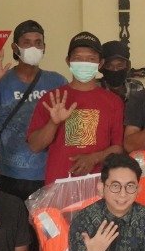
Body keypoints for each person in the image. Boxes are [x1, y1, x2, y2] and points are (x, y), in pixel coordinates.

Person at [0, 20, 67, 201]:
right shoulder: (1, 80)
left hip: (46, 172)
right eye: (27, 42)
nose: (33, 47)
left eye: (38, 43)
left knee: (43, 220)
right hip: (8, 173)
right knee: (11, 218)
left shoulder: (57, 81)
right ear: (15, 47)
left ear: (44, 47)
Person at [27, 31, 125, 184]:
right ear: (68, 61)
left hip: (99, 185)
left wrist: (94, 158)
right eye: (78, 58)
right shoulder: (52, 98)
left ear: (100, 64)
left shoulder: (113, 101)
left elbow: (118, 148)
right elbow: (35, 146)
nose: (84, 63)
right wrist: (53, 123)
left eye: (91, 59)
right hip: (58, 185)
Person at [101, 39, 144, 108]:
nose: (115, 70)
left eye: (120, 65)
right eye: (109, 66)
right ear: (102, 67)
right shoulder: (95, 88)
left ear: (127, 66)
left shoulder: (136, 87)